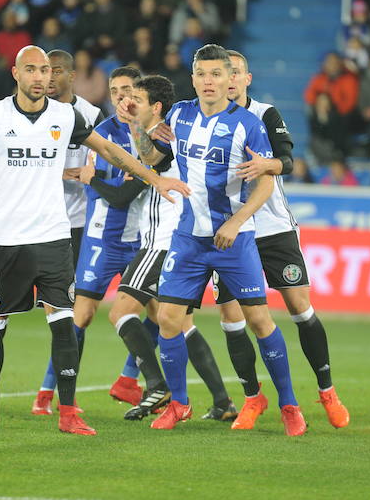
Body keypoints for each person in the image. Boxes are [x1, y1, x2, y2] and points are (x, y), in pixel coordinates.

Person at [0, 46, 187, 435]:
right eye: (31, 69)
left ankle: (68, 413)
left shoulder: (66, 116)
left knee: (64, 324)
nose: (39, 77)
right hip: (5, 239)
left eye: (45, 70)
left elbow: (110, 151)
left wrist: (155, 178)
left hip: (52, 238)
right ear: (16, 73)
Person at [118, 44, 307, 435]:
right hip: (188, 238)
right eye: (202, 74)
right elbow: (155, 160)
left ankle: (289, 405)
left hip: (233, 241)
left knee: (259, 319)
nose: (209, 81)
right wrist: (138, 127)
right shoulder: (181, 115)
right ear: (193, 79)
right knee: (169, 319)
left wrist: (237, 222)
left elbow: (266, 184)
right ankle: (180, 405)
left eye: (216, 74)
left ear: (229, 80)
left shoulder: (248, 124)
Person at [189, 50, 350, 429]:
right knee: (231, 317)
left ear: (246, 79)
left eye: (237, 73)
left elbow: (288, 162)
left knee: (299, 306)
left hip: (272, 227)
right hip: (228, 231)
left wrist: (268, 164)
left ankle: (327, 391)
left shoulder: (265, 114)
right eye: (224, 73)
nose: (229, 80)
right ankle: (252, 397)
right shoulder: (203, 117)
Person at [0, 49, 103, 414]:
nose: (47, 78)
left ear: (70, 75)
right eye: (39, 70)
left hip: (70, 226)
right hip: (14, 231)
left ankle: (55, 398)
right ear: (18, 73)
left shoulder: (86, 115)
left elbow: (107, 157)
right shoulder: (2, 115)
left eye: (53, 71)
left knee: (64, 315)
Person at [105, 75, 237, 422]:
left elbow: (150, 160)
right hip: (178, 238)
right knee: (178, 323)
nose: (129, 102)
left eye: (136, 98)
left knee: (121, 312)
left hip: (164, 239)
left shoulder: (164, 134)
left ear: (156, 107)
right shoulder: (168, 132)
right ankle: (222, 401)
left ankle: (156, 384)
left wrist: (131, 124)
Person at [33, 66, 143, 411]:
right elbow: (111, 194)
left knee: (165, 312)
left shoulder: (153, 135)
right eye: (115, 92)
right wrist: (97, 181)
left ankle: (129, 380)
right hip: (101, 238)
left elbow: (104, 183)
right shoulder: (102, 133)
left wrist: (93, 179)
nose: (122, 98)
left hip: (144, 238)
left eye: (127, 91)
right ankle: (47, 392)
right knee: (80, 317)